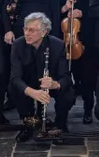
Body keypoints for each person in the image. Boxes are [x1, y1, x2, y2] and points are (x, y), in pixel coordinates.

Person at [9, 13, 75, 141]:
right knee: (13, 88)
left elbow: (65, 77)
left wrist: (54, 84)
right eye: (25, 29)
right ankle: (28, 123)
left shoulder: (57, 45)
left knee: (68, 92)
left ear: (44, 32)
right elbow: (15, 78)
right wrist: (31, 92)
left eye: (32, 30)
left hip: (50, 83)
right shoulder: (18, 44)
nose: (27, 33)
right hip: (29, 84)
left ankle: (60, 124)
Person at [55, 0, 96, 123]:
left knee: (85, 75)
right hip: (64, 37)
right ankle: (63, 108)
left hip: (83, 35)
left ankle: (88, 109)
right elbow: (53, 10)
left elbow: (94, 8)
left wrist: (82, 12)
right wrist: (64, 9)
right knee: (64, 74)